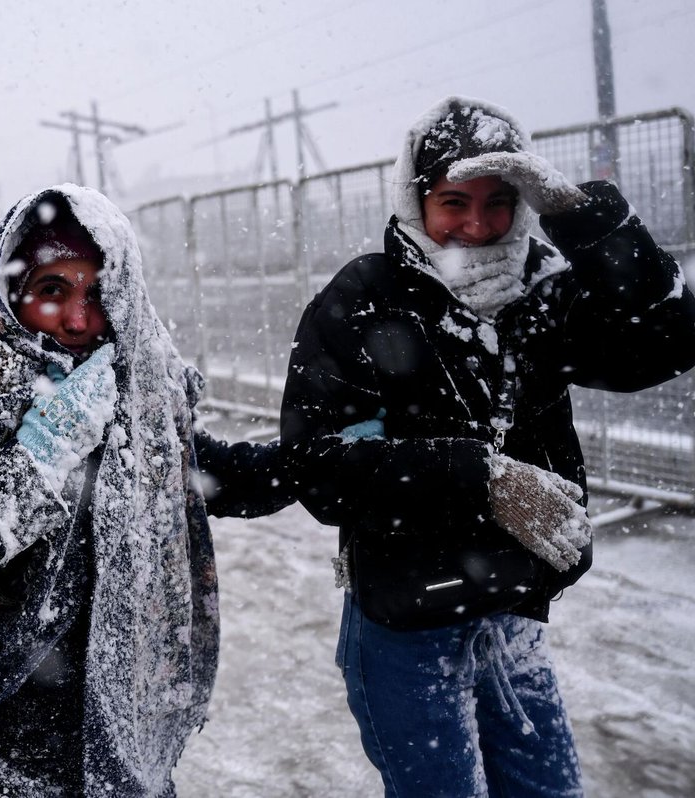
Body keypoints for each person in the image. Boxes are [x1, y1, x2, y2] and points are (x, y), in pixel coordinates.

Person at [280, 96, 695, 796]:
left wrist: (585, 219)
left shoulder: (539, 289)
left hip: (515, 611)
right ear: (416, 200)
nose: (476, 226)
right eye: (453, 201)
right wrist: (479, 477)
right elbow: (319, 468)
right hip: (406, 623)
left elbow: (664, 342)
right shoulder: (365, 296)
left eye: (500, 201)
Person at [0, 185, 294, 797]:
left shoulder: (132, 392)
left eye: (96, 292)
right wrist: (36, 462)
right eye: (52, 291)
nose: (80, 319)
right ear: (9, 292)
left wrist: (321, 460)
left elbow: (202, 472)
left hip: (115, 735)